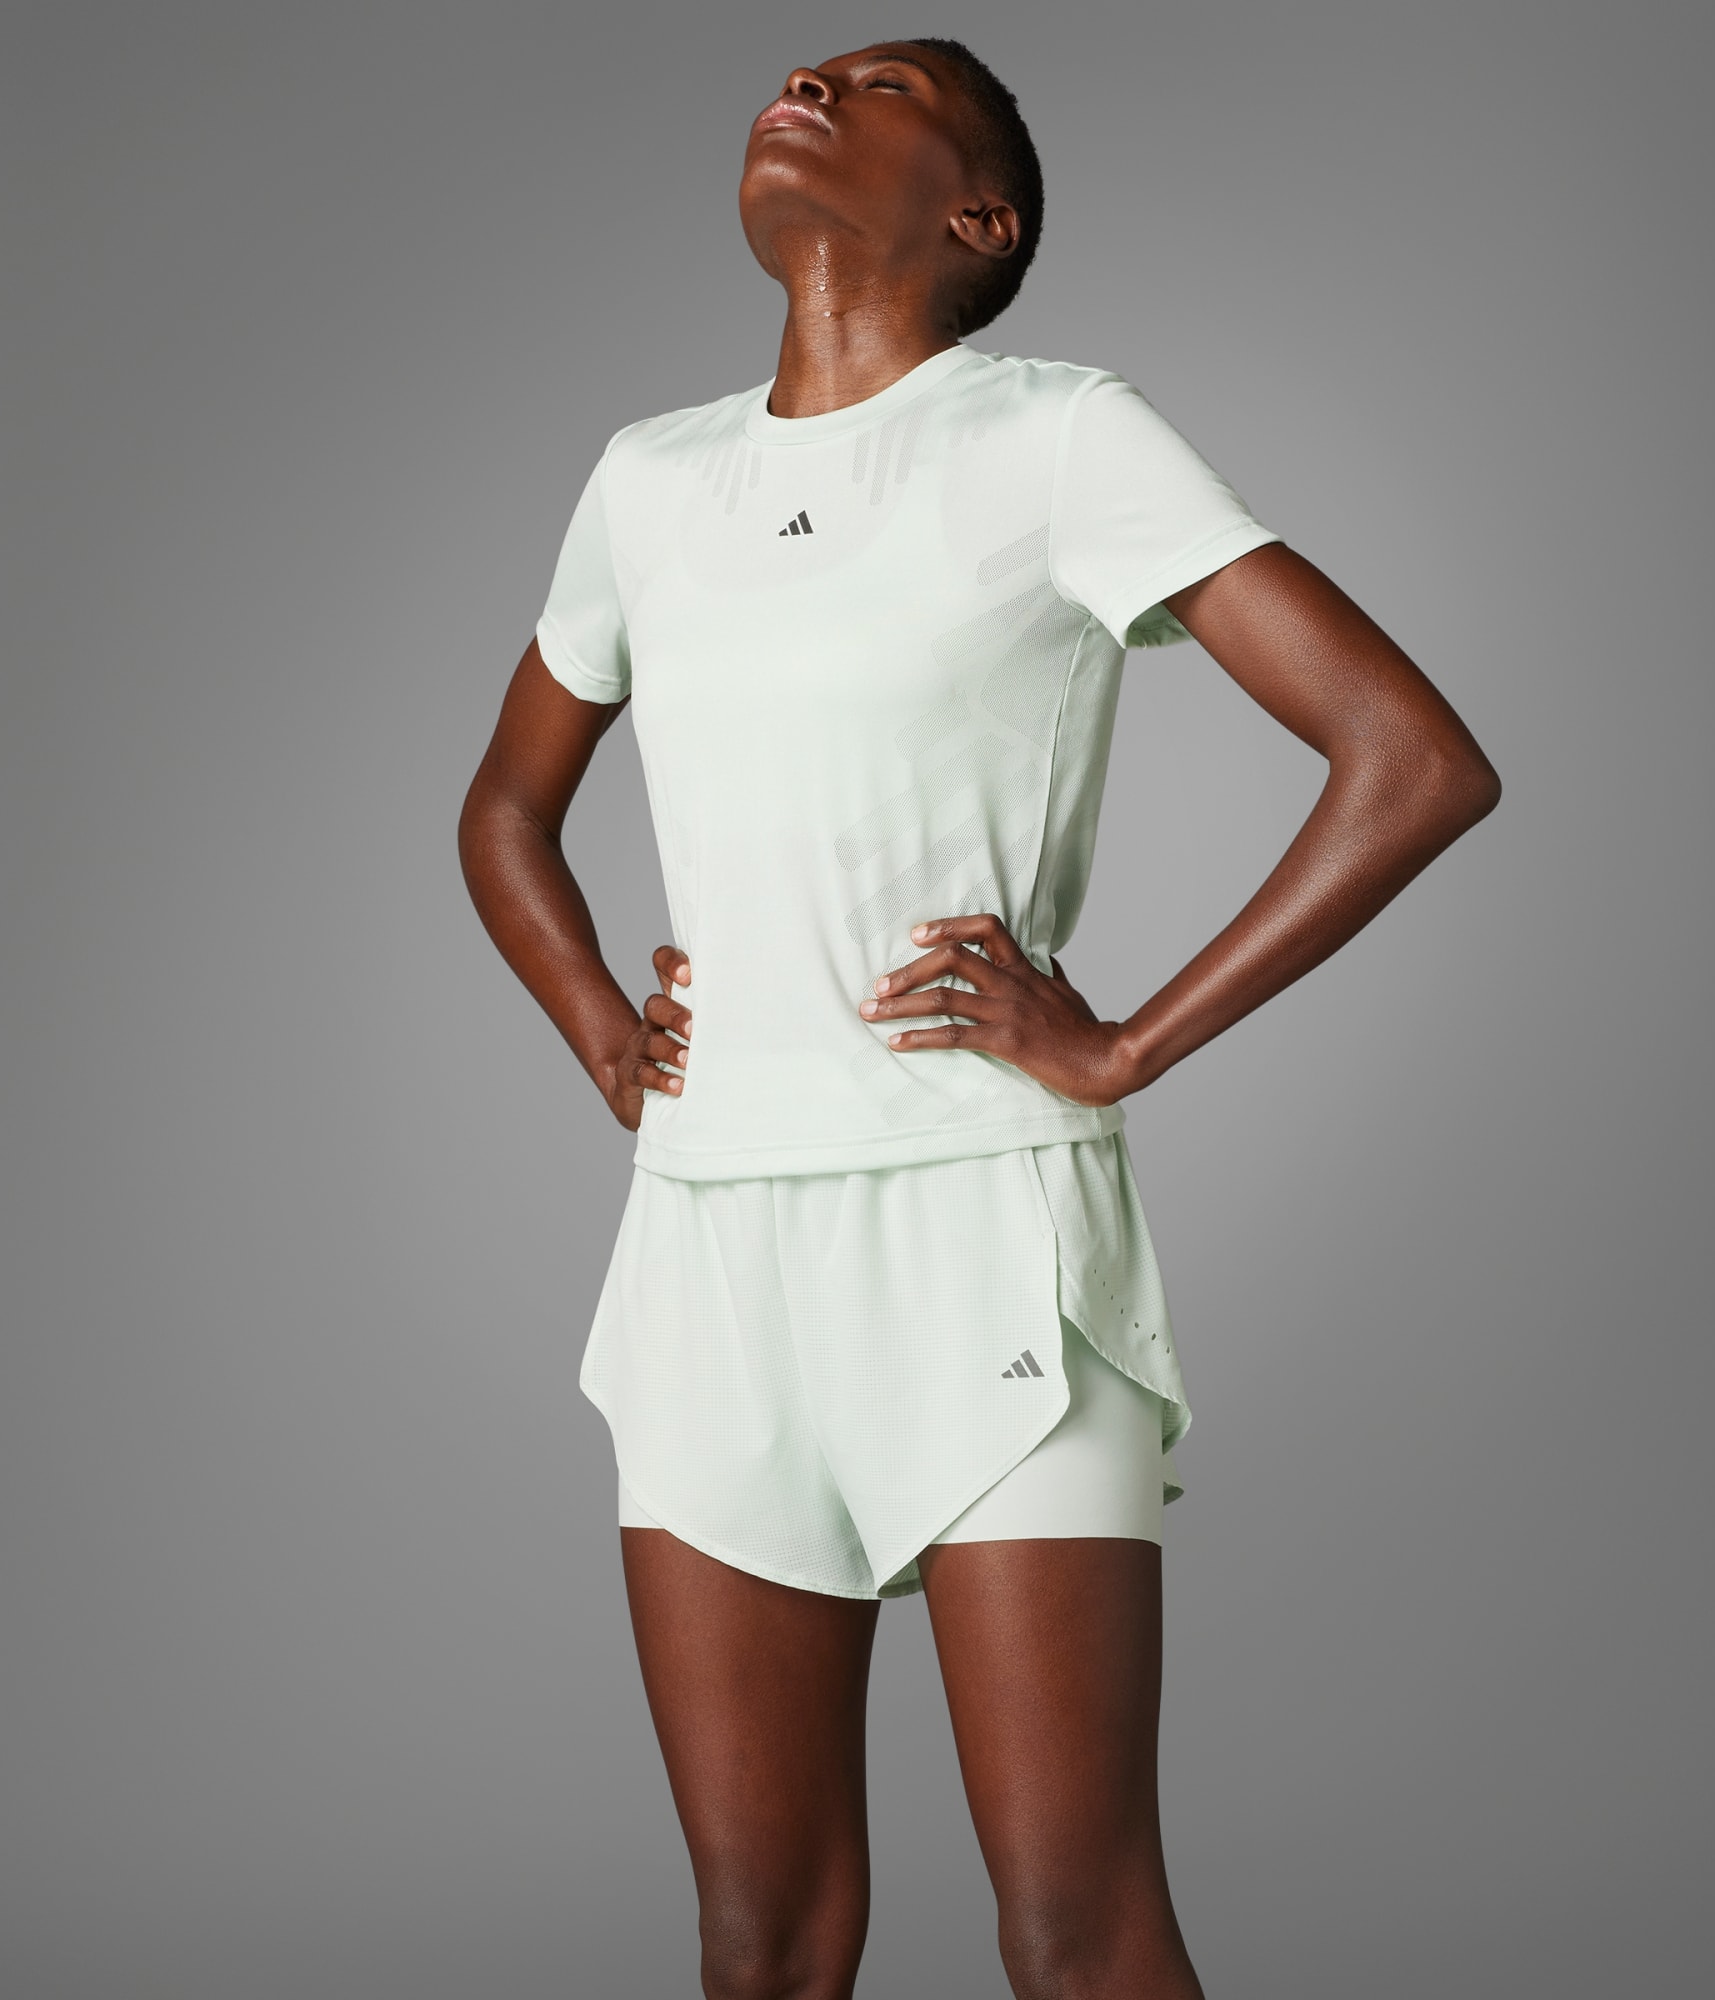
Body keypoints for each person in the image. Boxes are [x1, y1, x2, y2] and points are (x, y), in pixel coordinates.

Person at [459, 37, 1499, 2000]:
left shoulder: (1059, 438)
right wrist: (604, 1028)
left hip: (982, 1226)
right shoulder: (648, 480)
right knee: (761, 1941)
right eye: (813, 66)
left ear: (978, 217)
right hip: (709, 1246)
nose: (808, 73)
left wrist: (1122, 1046)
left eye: (880, 83)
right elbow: (505, 810)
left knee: (1075, 1929)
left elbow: (1410, 759)